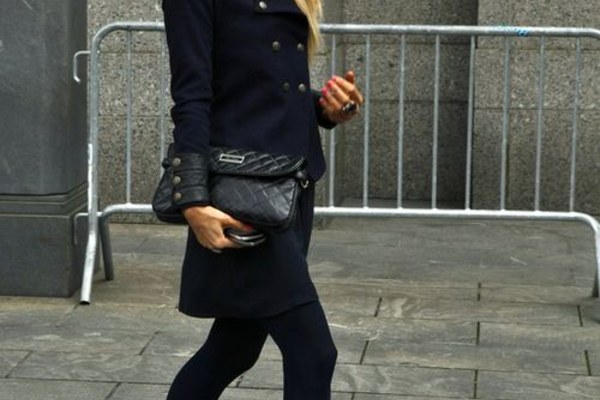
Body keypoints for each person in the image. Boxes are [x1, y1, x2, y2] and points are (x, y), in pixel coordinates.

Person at [161, 0, 364, 398]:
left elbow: (262, 87)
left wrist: (327, 108)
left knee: (233, 348)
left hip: (288, 187)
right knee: (314, 353)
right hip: (242, 200)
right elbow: (192, 96)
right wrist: (192, 200)